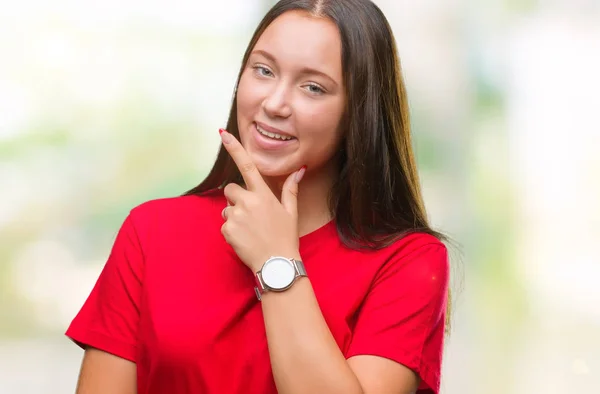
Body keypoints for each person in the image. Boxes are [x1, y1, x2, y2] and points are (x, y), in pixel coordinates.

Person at [66, 0, 451, 393]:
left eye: (313, 87)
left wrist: (276, 262)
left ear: (359, 112)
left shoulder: (409, 262)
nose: (274, 104)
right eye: (263, 70)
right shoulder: (152, 232)